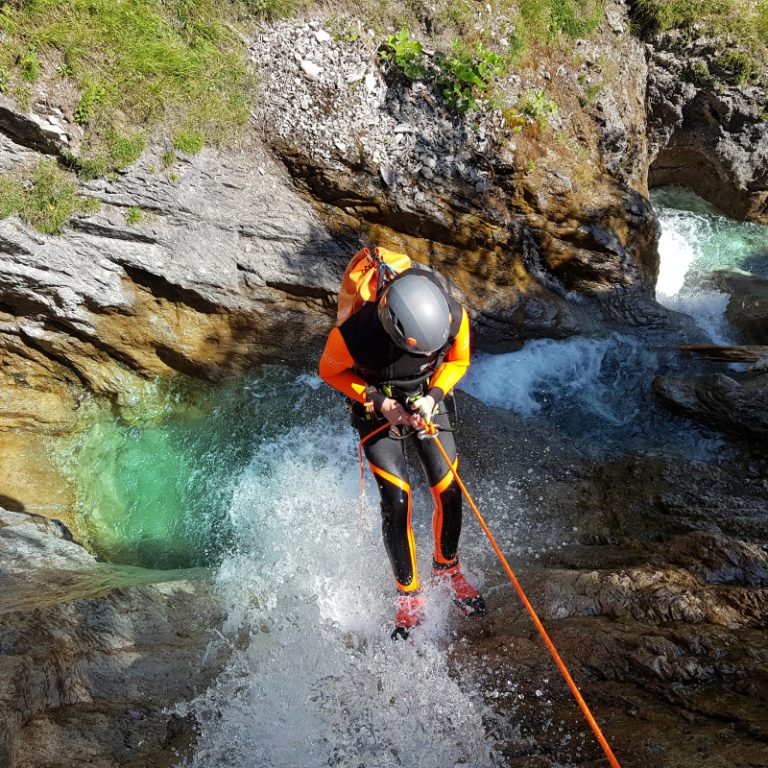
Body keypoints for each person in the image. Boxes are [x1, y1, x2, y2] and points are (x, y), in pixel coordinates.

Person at [318, 255, 485, 639]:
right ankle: (408, 597)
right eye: (422, 352)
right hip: (378, 403)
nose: (429, 357)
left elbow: (459, 360)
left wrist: (433, 397)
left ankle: (448, 569)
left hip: (427, 397)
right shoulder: (352, 337)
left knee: (449, 489)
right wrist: (379, 402)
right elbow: (329, 372)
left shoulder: (453, 316)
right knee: (397, 500)